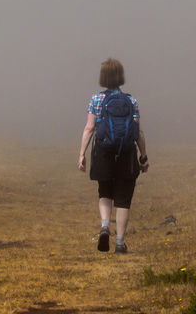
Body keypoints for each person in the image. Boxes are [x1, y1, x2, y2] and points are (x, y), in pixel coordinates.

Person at [78, 57, 149, 254]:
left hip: (103, 153)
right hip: (126, 154)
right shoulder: (131, 100)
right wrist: (143, 156)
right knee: (123, 199)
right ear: (120, 76)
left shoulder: (96, 99)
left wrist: (82, 153)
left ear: (103, 77)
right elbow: (139, 133)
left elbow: (89, 128)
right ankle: (119, 242)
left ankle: (104, 226)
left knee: (105, 191)